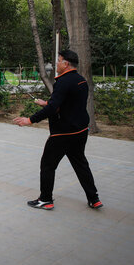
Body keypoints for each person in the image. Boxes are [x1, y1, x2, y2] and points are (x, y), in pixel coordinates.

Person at [13, 49, 102, 211]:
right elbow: (69, 104)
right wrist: (46, 103)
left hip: (63, 134)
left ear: (66, 64)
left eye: (59, 61)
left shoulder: (62, 82)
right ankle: (94, 198)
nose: (57, 64)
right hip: (80, 132)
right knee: (81, 164)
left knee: (47, 165)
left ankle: (46, 199)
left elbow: (54, 108)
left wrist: (29, 120)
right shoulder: (81, 80)